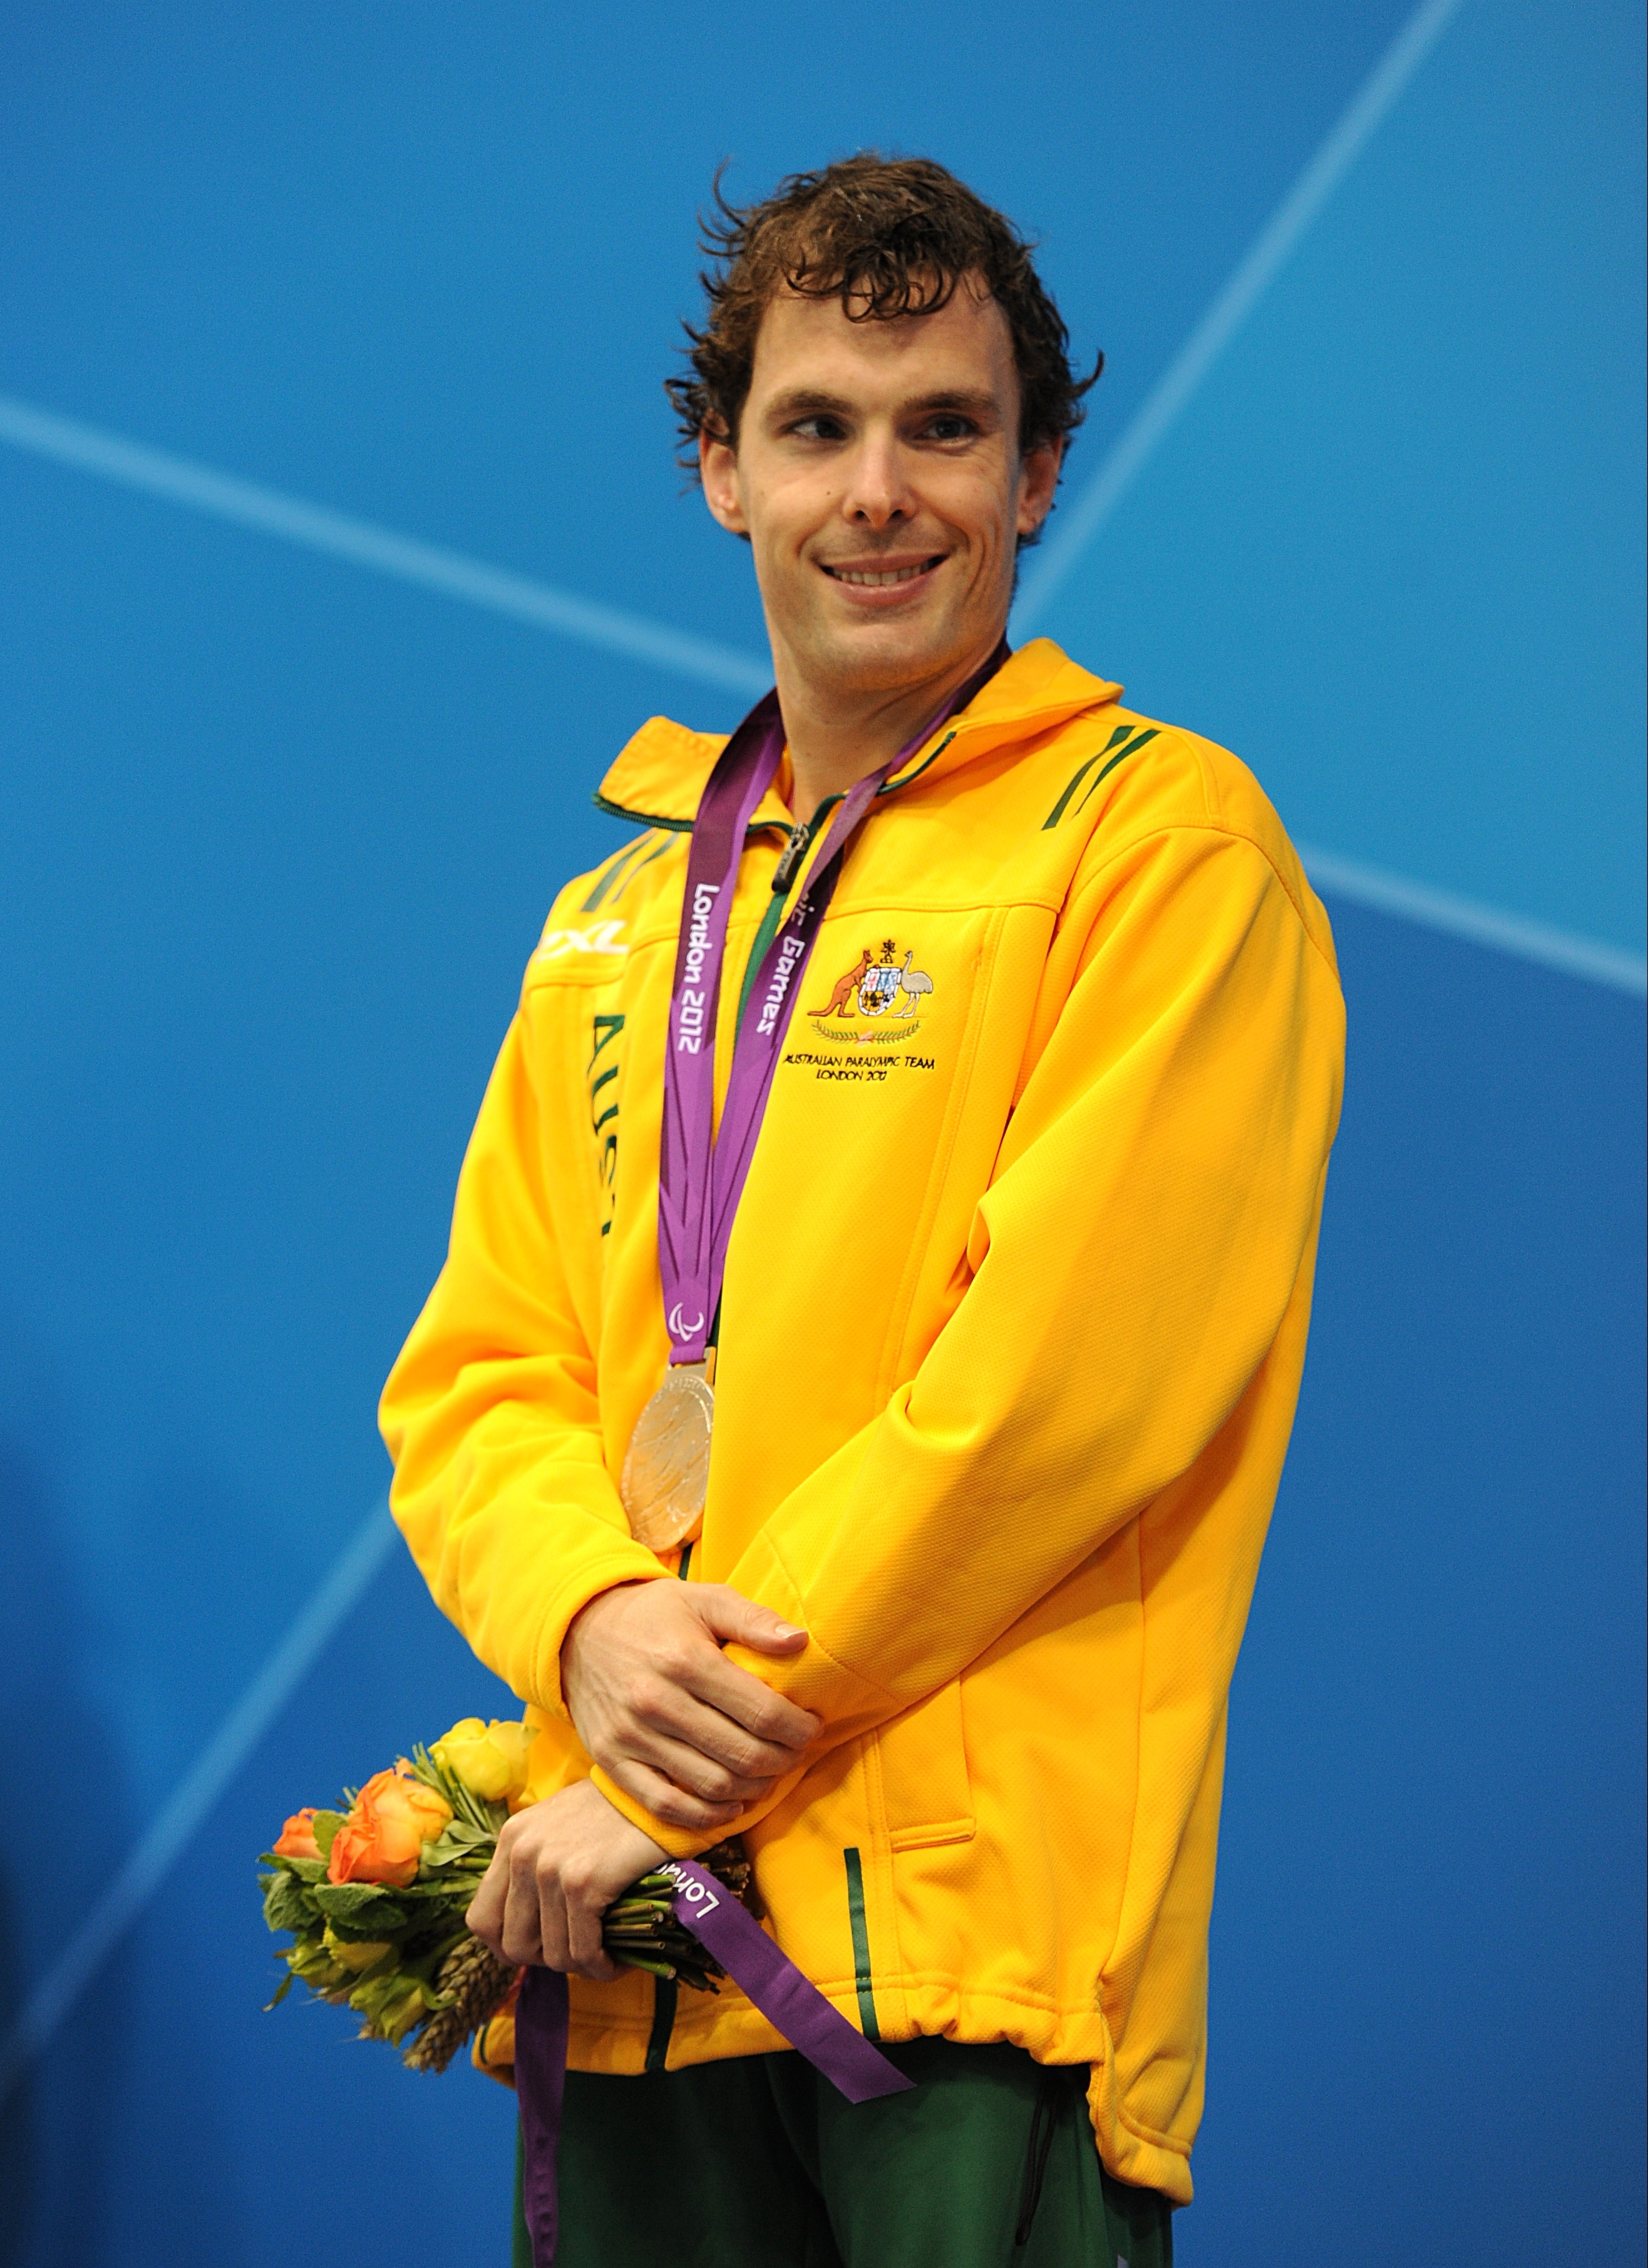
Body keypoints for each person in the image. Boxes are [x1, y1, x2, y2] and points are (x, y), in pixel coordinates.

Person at [379, 153, 1345, 2267]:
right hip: (627, 1943)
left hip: (957, 1962)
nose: (880, 492)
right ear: (724, 473)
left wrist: (675, 1757)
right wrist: (590, 1623)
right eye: (817, 427)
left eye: (947, 428)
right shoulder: (620, 918)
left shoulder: (1156, 850)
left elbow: (1060, 1394)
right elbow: (476, 1382)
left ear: (1038, 474)